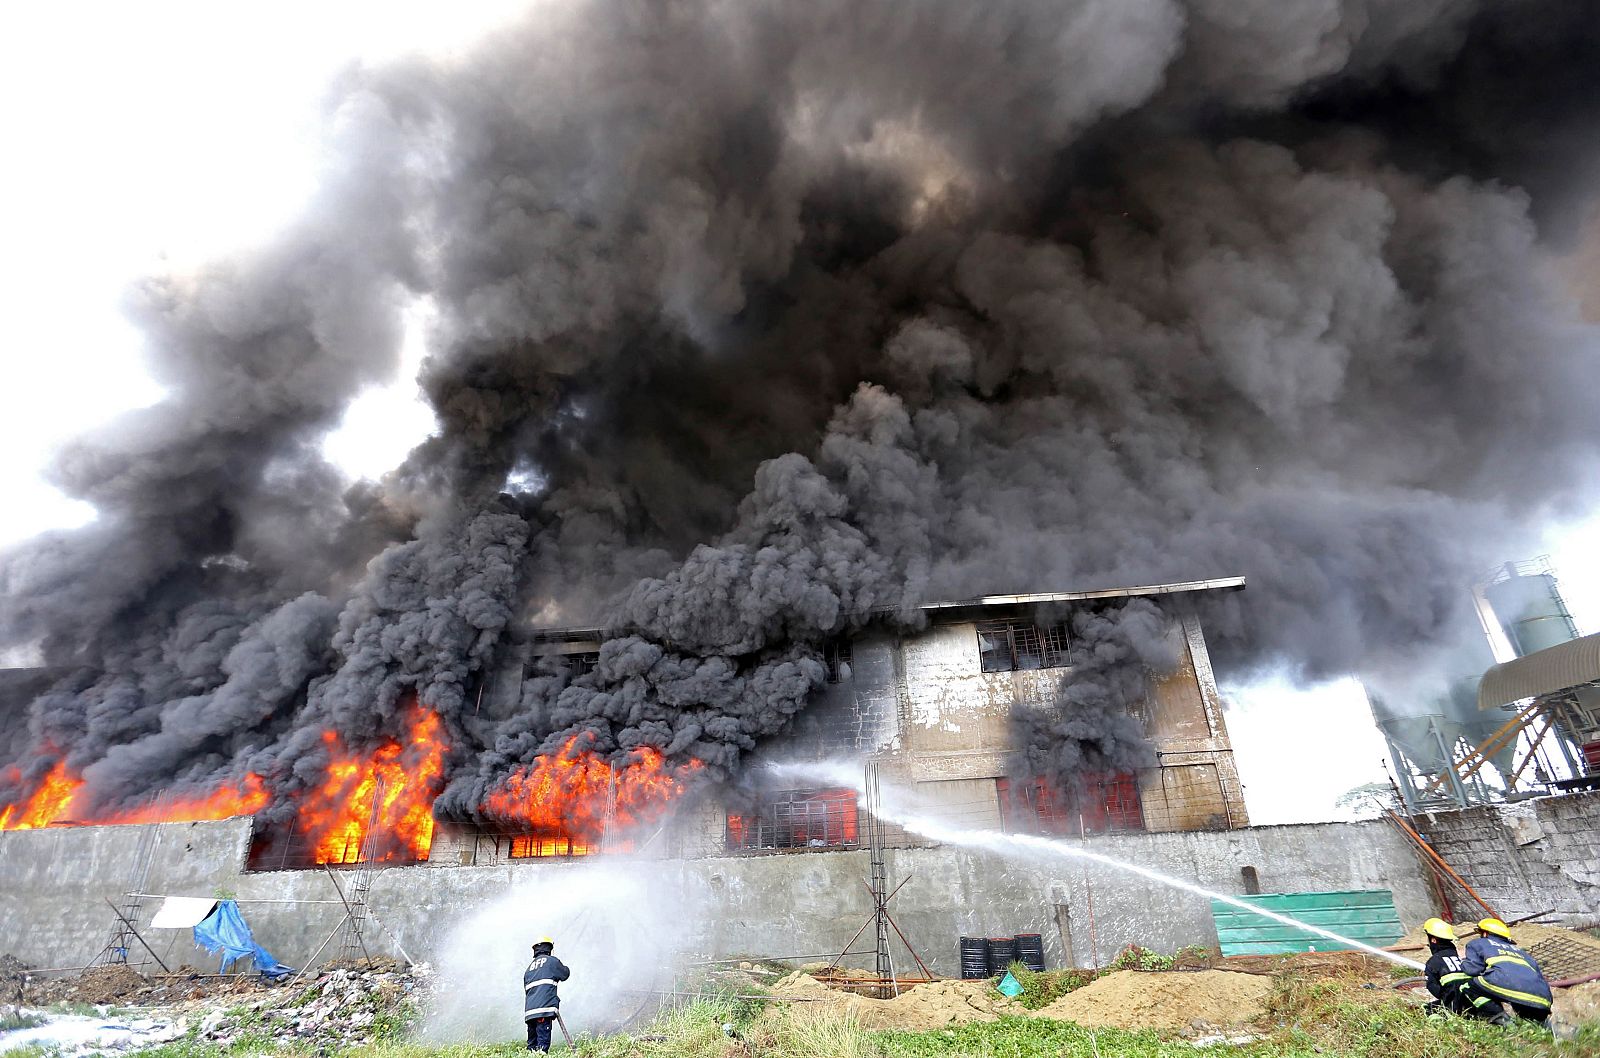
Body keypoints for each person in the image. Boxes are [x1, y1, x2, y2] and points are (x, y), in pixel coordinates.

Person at [1460, 917, 1553, 1026]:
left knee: (1468, 986)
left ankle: (1503, 1021)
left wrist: (1462, 962)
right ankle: (1543, 1030)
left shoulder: (1478, 943)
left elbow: (1472, 970)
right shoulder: (1522, 952)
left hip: (1503, 981)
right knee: (1533, 1021)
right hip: (1543, 997)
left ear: (1485, 933)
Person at [1420, 918, 1496, 1020]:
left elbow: (1435, 989)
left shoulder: (1433, 962)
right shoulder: (1461, 958)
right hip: (1476, 1006)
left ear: (1433, 940)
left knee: (1427, 1009)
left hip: (1455, 1007)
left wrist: (1447, 1000)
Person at [523, 935, 571, 1052]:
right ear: (549, 948)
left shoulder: (529, 969)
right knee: (542, 1047)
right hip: (543, 1010)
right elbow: (565, 974)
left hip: (530, 1013)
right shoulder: (552, 961)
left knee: (531, 1047)